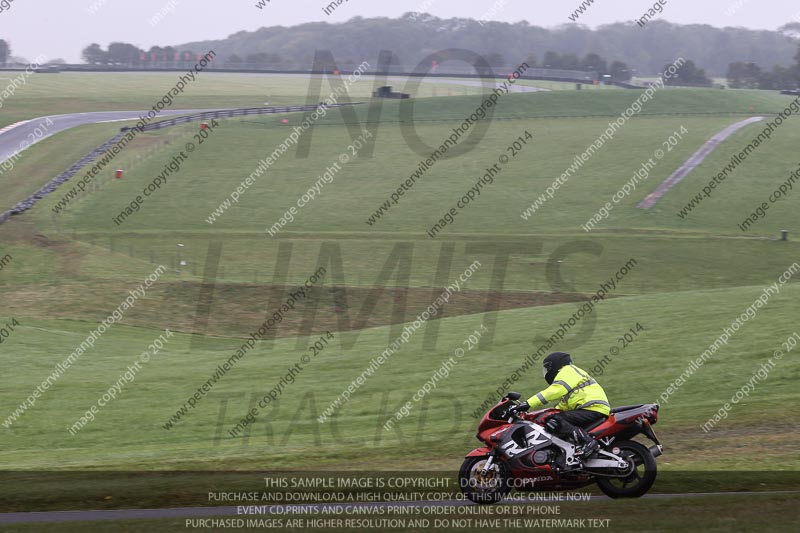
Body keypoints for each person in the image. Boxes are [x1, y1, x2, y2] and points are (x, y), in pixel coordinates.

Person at [509, 352, 610, 457]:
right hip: (591, 408)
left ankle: (588, 442)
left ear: (555, 365)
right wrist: (539, 415)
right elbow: (562, 406)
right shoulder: (571, 373)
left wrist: (527, 403)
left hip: (592, 408)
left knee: (555, 421)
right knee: (551, 419)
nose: (547, 372)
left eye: (547, 368)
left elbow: (554, 391)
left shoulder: (566, 371)